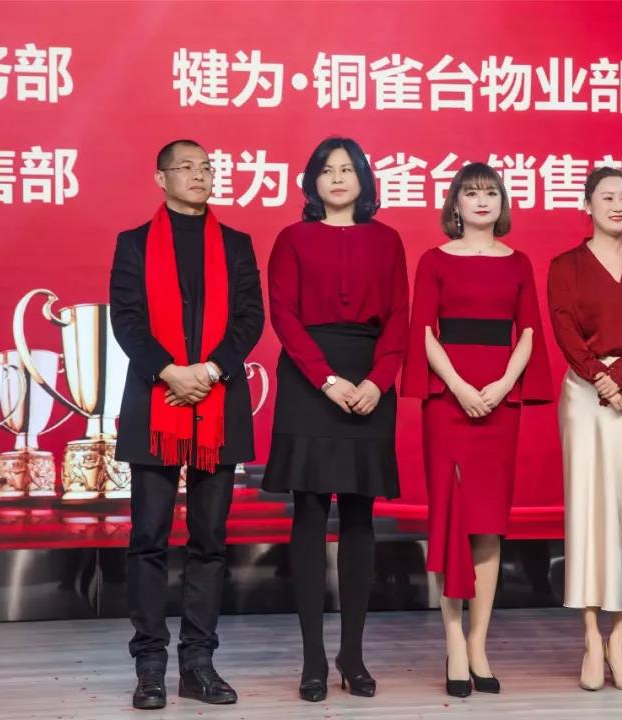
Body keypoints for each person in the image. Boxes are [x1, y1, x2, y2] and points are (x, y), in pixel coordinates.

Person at [110, 139, 264, 710]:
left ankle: (198, 663)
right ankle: (149, 666)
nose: (200, 175)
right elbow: (127, 320)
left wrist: (212, 369)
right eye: (187, 167)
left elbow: (250, 317)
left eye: (207, 167)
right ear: (161, 177)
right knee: (148, 539)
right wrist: (171, 372)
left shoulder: (237, 244)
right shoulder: (133, 243)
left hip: (218, 404)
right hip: (156, 403)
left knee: (209, 542)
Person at [262, 136, 409, 703]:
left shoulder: (388, 240)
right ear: (312, 182)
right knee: (307, 514)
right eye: (327, 170)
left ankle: (352, 654)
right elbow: (284, 315)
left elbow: (399, 316)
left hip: (370, 378)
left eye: (348, 169)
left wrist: (378, 381)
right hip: (310, 382)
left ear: (365, 179)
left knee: (359, 517)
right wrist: (326, 379)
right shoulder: (292, 239)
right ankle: (313, 659)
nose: (339, 178)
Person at [401, 163, 552, 697]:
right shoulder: (434, 260)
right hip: (449, 401)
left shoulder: (519, 262)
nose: (482, 200)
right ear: (456, 204)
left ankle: (479, 642)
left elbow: (528, 331)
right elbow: (423, 331)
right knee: (451, 519)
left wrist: (505, 384)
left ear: (502, 202)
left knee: (489, 524)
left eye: (491, 192)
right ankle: (454, 643)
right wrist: (460, 386)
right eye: (471, 192)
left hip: (499, 402)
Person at [547, 166, 622, 692]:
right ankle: (591, 638)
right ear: (587, 205)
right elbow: (565, 330)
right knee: (587, 509)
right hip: (584, 394)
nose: (618, 204)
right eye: (607, 196)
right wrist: (601, 379)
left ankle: (620, 638)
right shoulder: (565, 266)